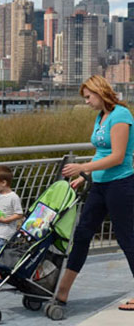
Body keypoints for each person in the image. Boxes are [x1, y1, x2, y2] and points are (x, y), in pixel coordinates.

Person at [57, 75, 134, 311]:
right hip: (99, 187)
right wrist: (83, 177)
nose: (87, 102)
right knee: (81, 235)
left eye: (89, 97)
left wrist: (83, 167)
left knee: (127, 238)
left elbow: (117, 156)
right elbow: (102, 153)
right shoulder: (100, 117)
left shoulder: (121, 115)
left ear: (100, 93)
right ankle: (62, 291)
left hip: (120, 185)